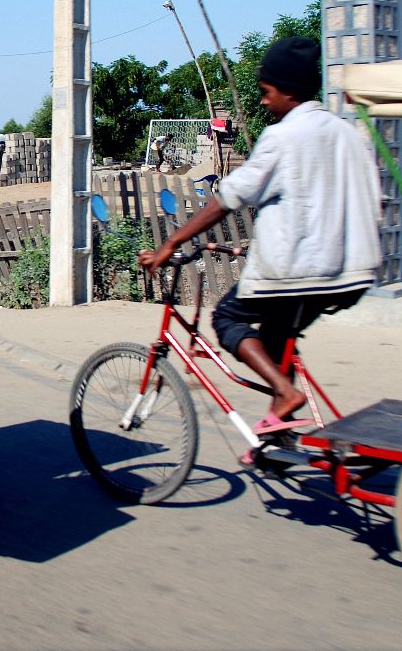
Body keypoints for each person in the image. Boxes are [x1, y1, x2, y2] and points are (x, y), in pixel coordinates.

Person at [139, 36, 381, 450]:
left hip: (297, 273)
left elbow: (226, 200)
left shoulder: (283, 137)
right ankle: (279, 434)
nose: (265, 102)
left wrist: (169, 244)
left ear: (288, 91)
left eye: (267, 93)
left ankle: (286, 396)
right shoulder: (346, 134)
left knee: (228, 320)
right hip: (351, 274)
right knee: (275, 338)